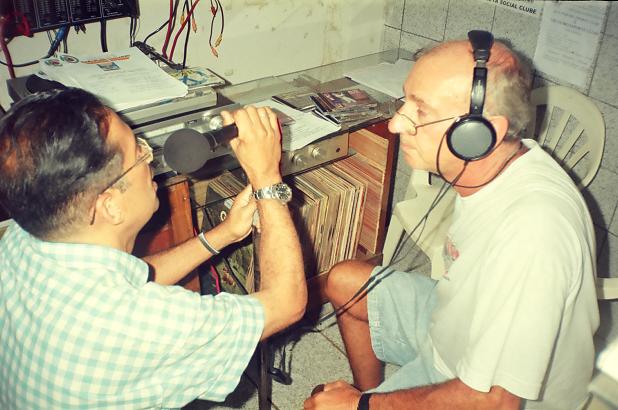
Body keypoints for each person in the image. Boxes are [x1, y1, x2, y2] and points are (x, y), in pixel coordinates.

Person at [305, 33, 599, 409]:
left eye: (421, 111)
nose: (396, 125)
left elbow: (493, 402)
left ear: (478, 135)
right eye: (405, 101)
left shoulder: (534, 233)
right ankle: (373, 392)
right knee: (345, 279)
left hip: (497, 395)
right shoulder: (504, 159)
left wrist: (358, 407)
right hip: (454, 327)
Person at [0, 88, 306, 408]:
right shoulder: (137, 322)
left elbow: (130, 282)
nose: (152, 158)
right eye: (140, 153)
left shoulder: (25, 237)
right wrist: (267, 177)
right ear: (109, 206)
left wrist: (223, 234)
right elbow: (286, 303)